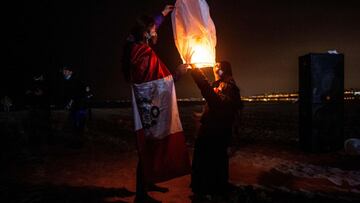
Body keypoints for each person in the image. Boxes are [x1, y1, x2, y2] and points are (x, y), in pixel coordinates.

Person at [122, 5, 190, 203]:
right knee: (149, 145)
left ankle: (148, 182)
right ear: (145, 33)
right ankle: (141, 196)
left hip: (150, 104)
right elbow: (156, 83)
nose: (155, 31)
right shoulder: (142, 54)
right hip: (150, 107)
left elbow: (149, 27)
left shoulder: (137, 45)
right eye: (153, 29)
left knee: (151, 145)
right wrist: (177, 73)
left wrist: (164, 14)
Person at [189, 61, 243, 200]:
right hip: (214, 131)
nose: (214, 68)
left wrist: (197, 73)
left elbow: (217, 102)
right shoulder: (220, 84)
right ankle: (212, 187)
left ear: (224, 70)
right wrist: (202, 115)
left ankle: (211, 189)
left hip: (215, 132)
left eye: (218, 67)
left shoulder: (229, 87)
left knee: (211, 160)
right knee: (213, 160)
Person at [57, 64, 87, 148]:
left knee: (76, 126)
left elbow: (77, 95)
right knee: (74, 126)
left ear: (70, 72)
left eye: (65, 71)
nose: (63, 73)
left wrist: (71, 103)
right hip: (76, 107)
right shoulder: (67, 81)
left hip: (79, 107)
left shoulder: (75, 81)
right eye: (63, 71)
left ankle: (78, 144)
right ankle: (75, 143)